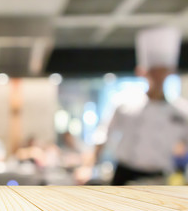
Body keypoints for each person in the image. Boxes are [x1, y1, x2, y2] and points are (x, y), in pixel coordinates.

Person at [80, 26, 188, 185]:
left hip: (161, 178)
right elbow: (104, 135)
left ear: (170, 72)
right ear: (142, 72)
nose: (158, 76)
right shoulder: (124, 102)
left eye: (162, 70)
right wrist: (88, 167)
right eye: (154, 71)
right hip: (124, 174)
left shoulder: (181, 110)